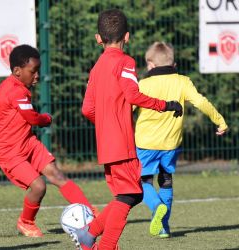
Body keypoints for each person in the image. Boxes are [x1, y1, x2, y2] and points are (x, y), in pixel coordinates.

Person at [71, 9, 183, 250]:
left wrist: (105, 124)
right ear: (127, 36)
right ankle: (104, 245)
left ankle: (88, 233)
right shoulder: (125, 62)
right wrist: (165, 105)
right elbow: (133, 95)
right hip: (121, 142)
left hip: (106, 143)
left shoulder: (96, 67)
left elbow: (87, 109)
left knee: (129, 194)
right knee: (130, 195)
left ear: (98, 38)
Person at [0, 44, 97, 238]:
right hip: (9, 152)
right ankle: (25, 222)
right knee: (39, 186)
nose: (36, 76)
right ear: (17, 71)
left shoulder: (8, 85)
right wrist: (47, 118)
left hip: (27, 142)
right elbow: (33, 118)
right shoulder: (16, 92)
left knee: (56, 174)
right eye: (33, 71)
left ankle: (89, 212)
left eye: (38, 71)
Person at [135, 41, 228, 238]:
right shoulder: (183, 81)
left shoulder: (142, 85)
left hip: (145, 144)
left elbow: (126, 109)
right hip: (171, 144)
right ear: (173, 64)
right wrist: (219, 120)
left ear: (150, 65)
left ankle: (156, 206)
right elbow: (201, 102)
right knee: (166, 180)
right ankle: (164, 227)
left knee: (143, 181)